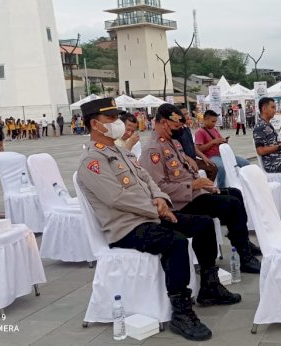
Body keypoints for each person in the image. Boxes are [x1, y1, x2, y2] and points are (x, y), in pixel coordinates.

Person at [77, 97, 241, 342]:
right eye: (110, 119)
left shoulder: (121, 152)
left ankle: (209, 285)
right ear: (94, 124)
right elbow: (117, 198)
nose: (117, 123)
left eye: (115, 117)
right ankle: (181, 311)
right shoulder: (92, 162)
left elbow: (148, 180)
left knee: (204, 223)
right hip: (126, 228)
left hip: (152, 215)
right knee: (175, 242)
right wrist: (157, 210)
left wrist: (161, 198)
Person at [141, 104, 261, 273]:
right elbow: (158, 187)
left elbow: (185, 173)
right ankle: (244, 255)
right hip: (178, 203)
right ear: (162, 123)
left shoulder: (171, 143)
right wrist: (193, 185)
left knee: (235, 194)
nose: (179, 130)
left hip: (192, 194)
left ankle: (241, 242)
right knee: (230, 204)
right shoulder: (153, 149)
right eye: (175, 127)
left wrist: (204, 186)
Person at [194, 110, 249, 188]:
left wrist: (224, 141)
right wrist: (213, 142)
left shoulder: (214, 130)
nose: (214, 124)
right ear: (205, 120)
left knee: (245, 162)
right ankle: (221, 188)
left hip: (222, 154)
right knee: (221, 167)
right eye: (212, 121)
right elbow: (199, 149)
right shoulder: (200, 132)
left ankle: (245, 184)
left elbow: (219, 140)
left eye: (215, 121)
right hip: (211, 157)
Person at [253, 97, 281, 174]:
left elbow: (273, 143)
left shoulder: (267, 124)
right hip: (272, 163)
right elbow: (260, 150)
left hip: (280, 158)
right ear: (264, 109)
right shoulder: (260, 126)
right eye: (272, 107)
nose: (275, 111)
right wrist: (280, 146)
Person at [178, 108, 218, 182]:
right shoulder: (176, 132)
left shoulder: (186, 129)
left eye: (188, 113)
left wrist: (204, 157)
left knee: (213, 167)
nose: (188, 116)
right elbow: (176, 151)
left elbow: (193, 147)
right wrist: (188, 159)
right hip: (184, 161)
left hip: (193, 158)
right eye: (185, 114)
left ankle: (208, 188)